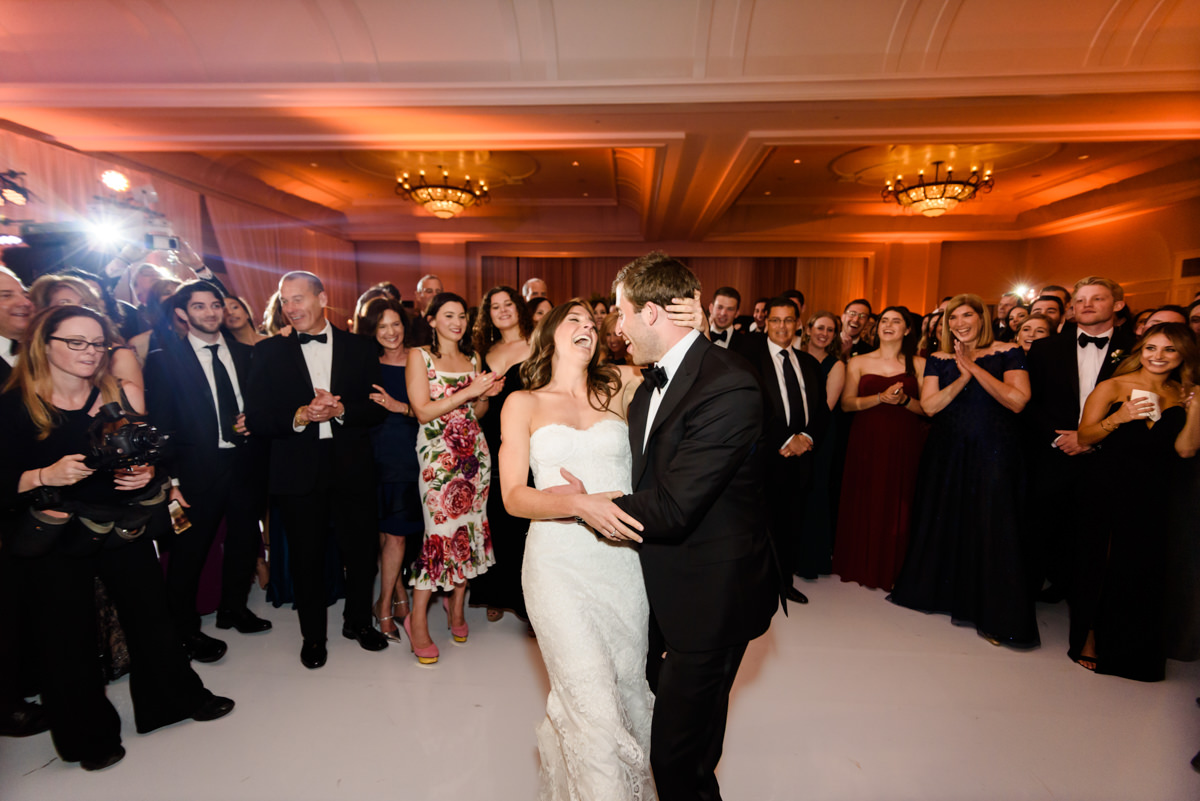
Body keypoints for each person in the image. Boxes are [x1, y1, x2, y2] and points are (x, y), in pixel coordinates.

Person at [567, 252, 779, 801]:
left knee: (679, 759)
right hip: (662, 588)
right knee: (670, 732)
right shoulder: (645, 388)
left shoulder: (729, 384)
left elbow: (675, 505)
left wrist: (586, 506)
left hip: (713, 597)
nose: (616, 328)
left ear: (652, 313)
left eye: (621, 313)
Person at [0, 305, 233, 771]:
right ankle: (87, 737)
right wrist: (42, 475)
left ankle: (173, 701)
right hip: (56, 534)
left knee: (151, 616)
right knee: (66, 636)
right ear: (44, 344)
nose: (90, 352)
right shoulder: (14, 407)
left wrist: (145, 473)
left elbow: (141, 457)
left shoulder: (110, 397)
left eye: (97, 343)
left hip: (119, 523)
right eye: (76, 342)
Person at [499, 299, 655, 800]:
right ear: (549, 334)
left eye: (593, 322)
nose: (587, 326)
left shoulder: (621, 390)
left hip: (622, 564)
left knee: (628, 689)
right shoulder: (522, 403)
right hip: (557, 564)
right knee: (591, 699)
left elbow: (678, 367)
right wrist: (579, 504)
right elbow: (512, 497)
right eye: (575, 320)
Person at [245, 271, 389, 669]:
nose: (291, 308)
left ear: (322, 298)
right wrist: (301, 415)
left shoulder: (360, 347)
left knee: (361, 554)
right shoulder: (268, 352)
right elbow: (256, 417)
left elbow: (377, 408)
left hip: (352, 467)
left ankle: (358, 622)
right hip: (297, 470)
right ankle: (313, 637)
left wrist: (342, 410)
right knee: (306, 558)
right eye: (285, 301)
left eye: (299, 298)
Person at [890, 294, 1038, 647]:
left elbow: (1017, 401)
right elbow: (930, 407)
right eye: (953, 318)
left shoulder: (1008, 352)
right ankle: (943, 595)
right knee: (948, 519)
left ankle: (995, 615)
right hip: (948, 451)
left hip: (993, 450)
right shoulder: (938, 359)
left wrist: (975, 368)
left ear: (982, 318)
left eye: (967, 315)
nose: (959, 323)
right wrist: (960, 375)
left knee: (992, 525)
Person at [145, 280, 270, 664]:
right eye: (199, 306)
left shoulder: (247, 353)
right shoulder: (165, 360)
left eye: (215, 305)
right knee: (189, 551)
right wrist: (171, 481)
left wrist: (254, 420)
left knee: (244, 540)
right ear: (182, 313)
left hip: (244, 462)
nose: (211, 312)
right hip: (195, 471)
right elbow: (160, 426)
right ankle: (183, 629)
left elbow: (262, 405)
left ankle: (234, 608)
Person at [1070, 323, 1200, 679]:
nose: (1158, 356)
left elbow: (1185, 450)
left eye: (1169, 349)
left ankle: (1135, 650)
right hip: (1108, 486)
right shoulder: (1112, 387)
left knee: (1143, 569)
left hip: (1156, 493)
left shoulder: (1183, 393)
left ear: (1183, 355)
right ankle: (1090, 638)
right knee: (1103, 564)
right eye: (1151, 348)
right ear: (1140, 351)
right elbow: (1084, 436)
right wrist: (1119, 417)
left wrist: (1196, 407)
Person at [403, 292, 500, 664]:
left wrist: (485, 394)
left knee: (469, 530)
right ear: (431, 320)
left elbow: (478, 412)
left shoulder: (473, 358)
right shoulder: (420, 356)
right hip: (438, 457)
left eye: (462, 316)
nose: (457, 322)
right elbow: (423, 412)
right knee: (440, 535)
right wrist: (469, 391)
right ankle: (417, 619)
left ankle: (457, 606)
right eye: (448, 315)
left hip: (475, 456)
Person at [1026, 277, 1134, 603]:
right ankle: (1030, 593)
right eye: (1080, 300)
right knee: (1042, 527)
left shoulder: (1136, 349)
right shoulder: (1046, 348)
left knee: (1094, 531)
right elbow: (1030, 402)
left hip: (1109, 455)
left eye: (1097, 298)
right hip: (1054, 452)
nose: (1086, 305)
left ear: (1117, 305)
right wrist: (1058, 439)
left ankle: (1083, 599)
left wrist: (1091, 439)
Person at [734, 297, 829, 592]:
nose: (782, 327)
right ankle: (756, 587)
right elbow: (752, 407)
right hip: (764, 456)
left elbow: (821, 410)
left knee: (792, 522)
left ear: (798, 324)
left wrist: (806, 438)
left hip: (801, 458)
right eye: (775, 320)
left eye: (788, 320)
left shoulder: (809, 363)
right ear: (766, 323)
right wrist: (787, 439)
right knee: (759, 525)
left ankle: (784, 583)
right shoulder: (750, 360)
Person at [833, 307, 928, 590]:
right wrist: (879, 398)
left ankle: (893, 567)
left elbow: (928, 409)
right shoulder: (858, 361)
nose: (888, 325)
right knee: (865, 493)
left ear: (907, 330)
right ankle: (860, 562)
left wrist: (903, 401)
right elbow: (846, 404)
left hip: (904, 439)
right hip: (866, 437)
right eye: (884, 320)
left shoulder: (919, 364)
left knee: (900, 497)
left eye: (896, 321)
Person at [355, 297, 422, 643]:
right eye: (382, 326)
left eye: (395, 324)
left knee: (397, 533)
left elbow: (434, 407)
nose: (390, 332)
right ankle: (396, 598)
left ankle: (385, 603)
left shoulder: (420, 358)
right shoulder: (366, 363)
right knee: (384, 532)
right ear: (371, 330)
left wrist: (400, 407)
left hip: (408, 453)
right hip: (371, 452)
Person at [468, 286, 534, 624]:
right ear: (488, 315)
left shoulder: (538, 344)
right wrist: (484, 395)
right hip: (491, 438)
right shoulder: (484, 352)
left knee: (525, 517)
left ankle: (526, 599)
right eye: (495, 307)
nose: (503, 310)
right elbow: (476, 407)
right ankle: (495, 593)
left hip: (529, 436)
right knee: (494, 515)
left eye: (508, 304)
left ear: (519, 307)